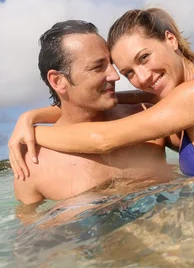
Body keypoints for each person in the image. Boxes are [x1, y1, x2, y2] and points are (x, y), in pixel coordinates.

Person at [9, 9, 194, 185]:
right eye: (129, 72)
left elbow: (104, 139)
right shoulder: (189, 96)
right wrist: (31, 115)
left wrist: (32, 133)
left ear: (170, 39)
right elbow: (128, 98)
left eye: (144, 57)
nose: (143, 77)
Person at [11, 20, 179, 205]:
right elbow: (30, 228)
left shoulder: (146, 115)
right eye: (98, 67)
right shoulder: (32, 166)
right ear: (58, 81)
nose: (115, 76)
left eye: (111, 64)